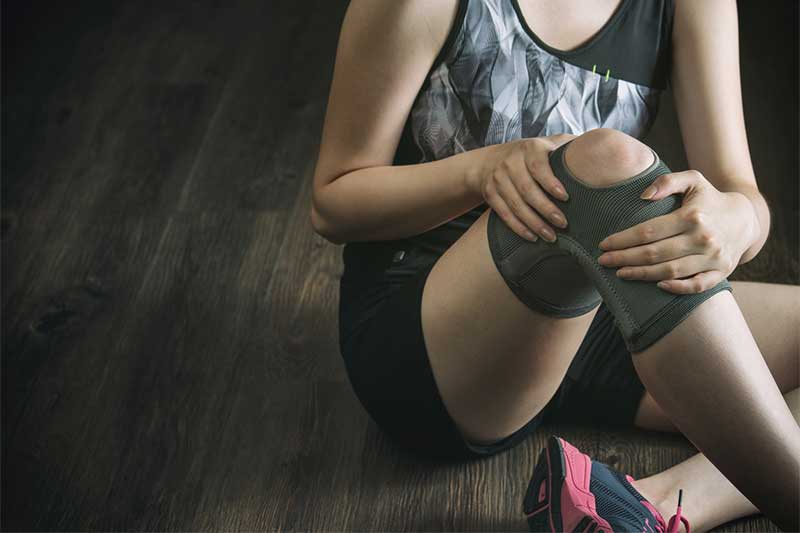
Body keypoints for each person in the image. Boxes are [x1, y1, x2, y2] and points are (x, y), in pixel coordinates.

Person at [309, 0, 800, 530]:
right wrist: (480, 172)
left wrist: (739, 220)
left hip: (588, 311)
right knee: (604, 161)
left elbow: (740, 193)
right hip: (433, 335)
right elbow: (333, 202)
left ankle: (656, 507)